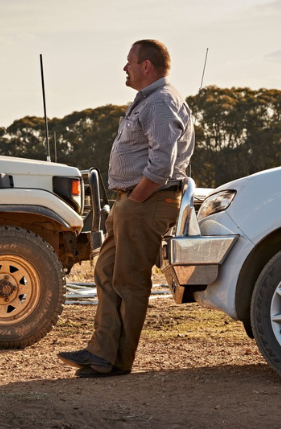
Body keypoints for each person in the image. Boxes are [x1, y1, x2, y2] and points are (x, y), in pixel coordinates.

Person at [58, 39, 195, 377]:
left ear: (146, 65)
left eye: (130, 61)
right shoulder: (148, 101)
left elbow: (162, 163)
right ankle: (101, 351)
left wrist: (134, 201)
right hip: (130, 202)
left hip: (145, 201)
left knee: (129, 281)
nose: (125, 67)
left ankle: (118, 361)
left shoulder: (161, 102)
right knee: (106, 272)